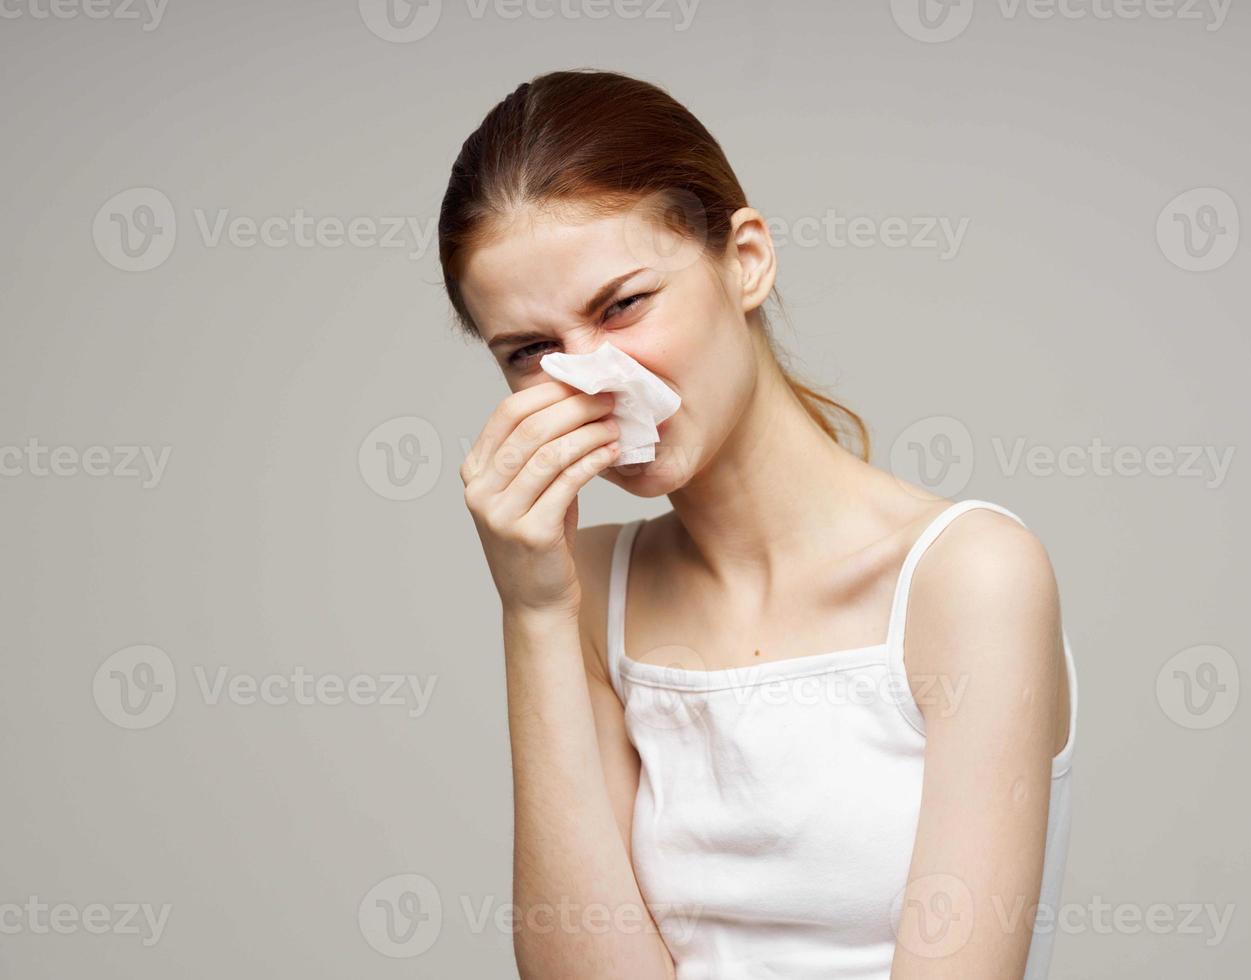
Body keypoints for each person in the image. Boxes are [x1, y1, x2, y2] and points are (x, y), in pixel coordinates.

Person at [439, 68, 1077, 980]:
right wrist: (534, 611)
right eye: (531, 353)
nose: (590, 379)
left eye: (622, 306)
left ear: (745, 261)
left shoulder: (967, 578)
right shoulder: (583, 593)